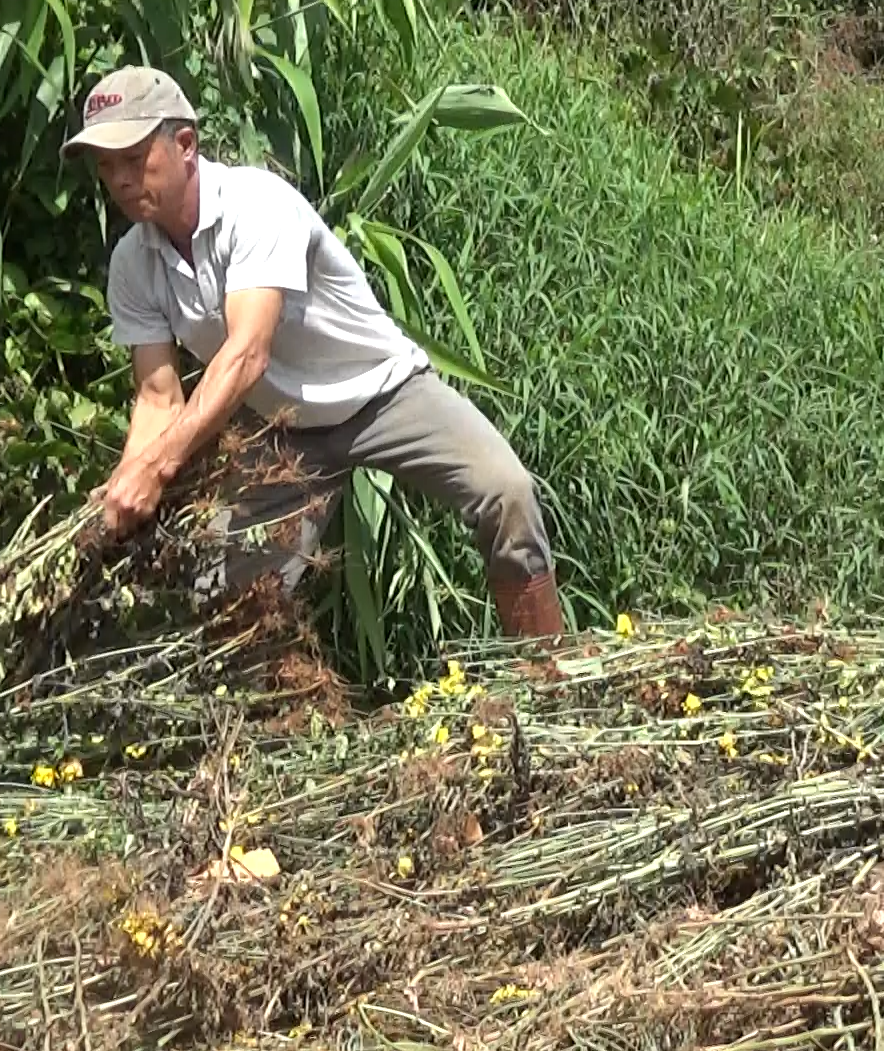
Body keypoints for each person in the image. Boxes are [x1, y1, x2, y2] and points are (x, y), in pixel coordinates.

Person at [59, 66, 564, 638]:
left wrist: (156, 467)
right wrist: (124, 487)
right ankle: (249, 719)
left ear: (185, 145)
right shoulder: (132, 264)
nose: (120, 180)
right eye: (106, 167)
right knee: (229, 601)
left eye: (132, 159)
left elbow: (247, 353)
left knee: (506, 492)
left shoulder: (256, 206)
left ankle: (543, 677)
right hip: (283, 431)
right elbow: (157, 396)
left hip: (381, 393)